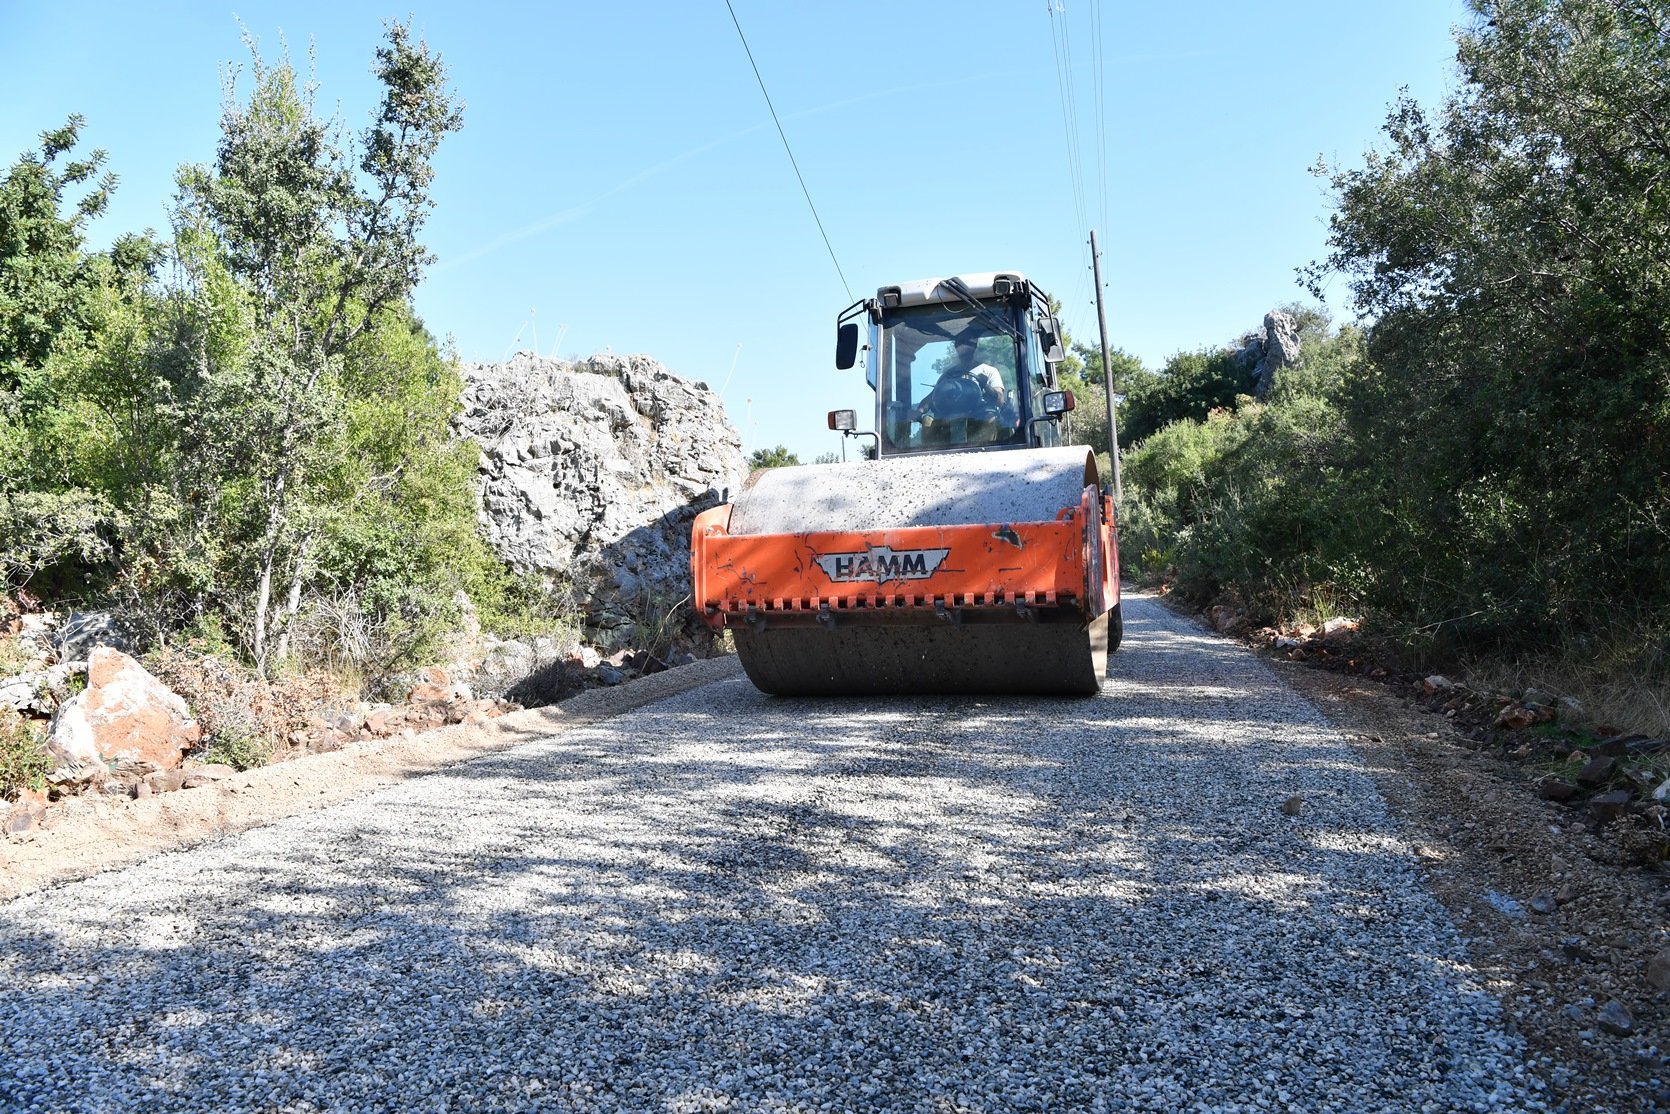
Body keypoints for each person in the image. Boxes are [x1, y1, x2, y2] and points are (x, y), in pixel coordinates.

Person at [914, 333, 1008, 428]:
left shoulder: (989, 371)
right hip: (952, 417)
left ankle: (990, 443)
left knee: (990, 418)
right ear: (956, 347)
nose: (964, 346)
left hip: (980, 415)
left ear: (974, 346)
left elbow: (1000, 401)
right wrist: (918, 411)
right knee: (929, 423)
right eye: (960, 343)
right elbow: (933, 397)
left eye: (968, 343)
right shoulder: (948, 375)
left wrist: (985, 386)